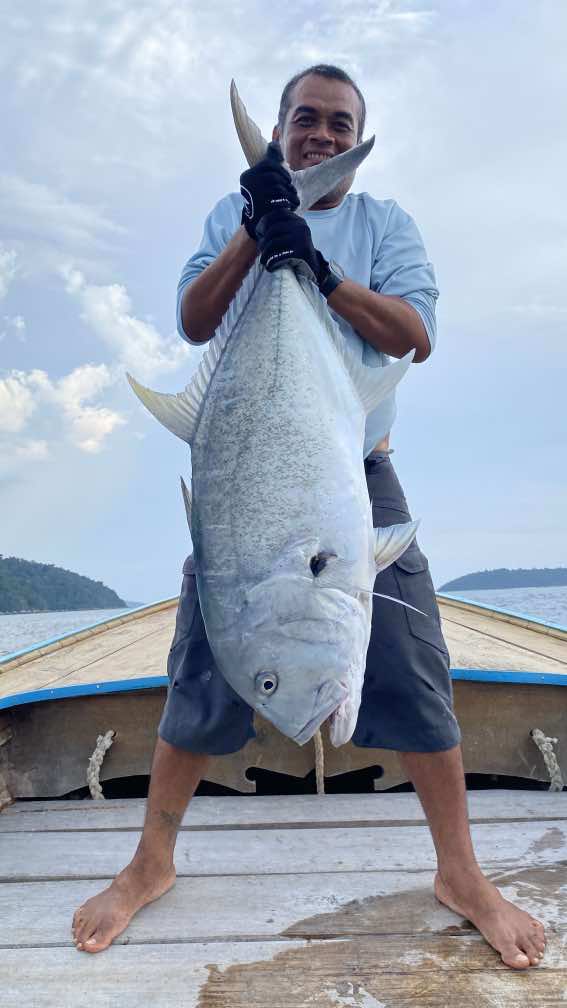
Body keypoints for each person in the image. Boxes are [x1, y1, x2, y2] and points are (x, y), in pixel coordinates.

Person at [72, 65, 546, 969]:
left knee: (413, 666)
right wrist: (258, 231)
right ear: (282, 129)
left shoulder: (383, 225)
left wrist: (317, 269)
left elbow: (413, 334)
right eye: (304, 121)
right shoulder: (230, 211)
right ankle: (149, 863)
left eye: (338, 124)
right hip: (246, 485)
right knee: (201, 665)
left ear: (356, 137)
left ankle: (462, 875)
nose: (320, 137)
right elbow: (193, 320)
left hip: (357, 476)